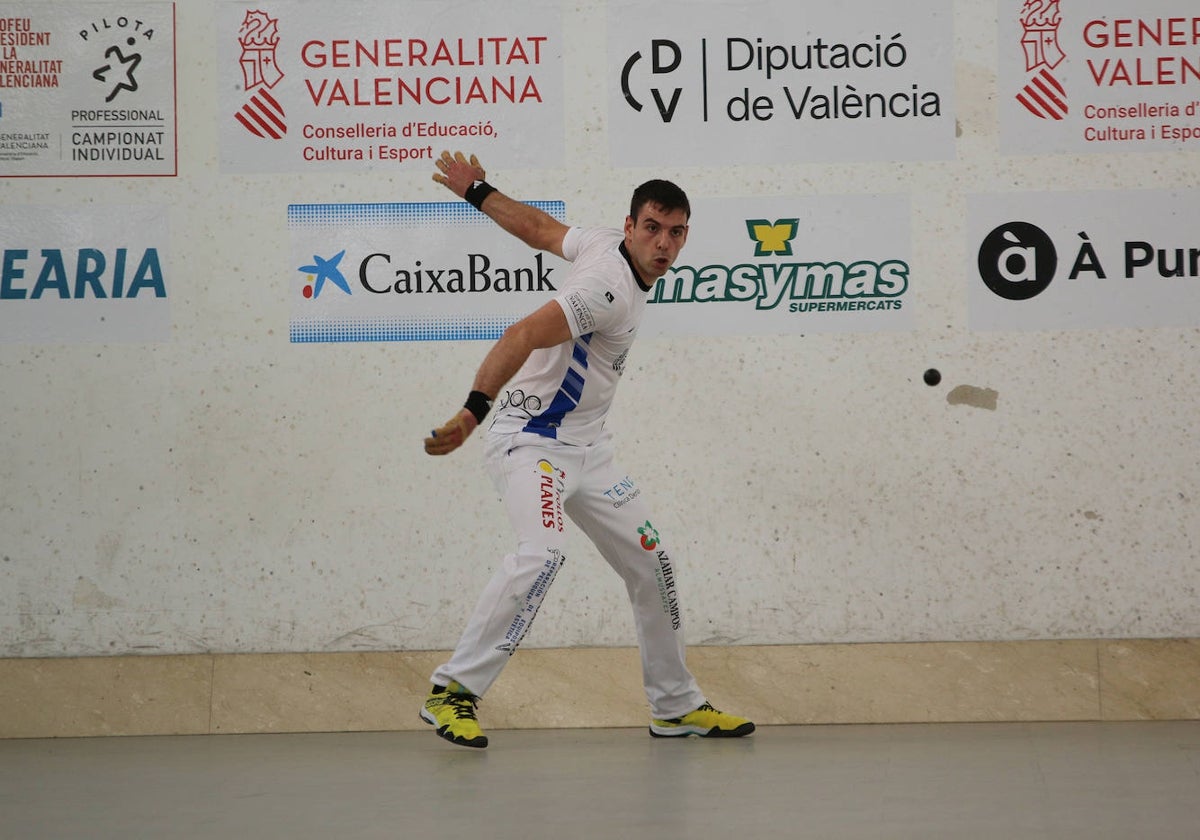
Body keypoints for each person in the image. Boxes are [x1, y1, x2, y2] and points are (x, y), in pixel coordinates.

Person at [419, 150, 754, 748]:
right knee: (543, 554)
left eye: (675, 232)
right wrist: (473, 411)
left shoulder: (601, 242)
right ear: (630, 227)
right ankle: (453, 692)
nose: (663, 243)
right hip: (531, 442)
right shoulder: (608, 290)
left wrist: (478, 191)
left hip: (589, 452)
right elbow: (521, 334)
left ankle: (675, 707)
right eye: (651, 228)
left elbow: (538, 229)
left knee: (653, 564)